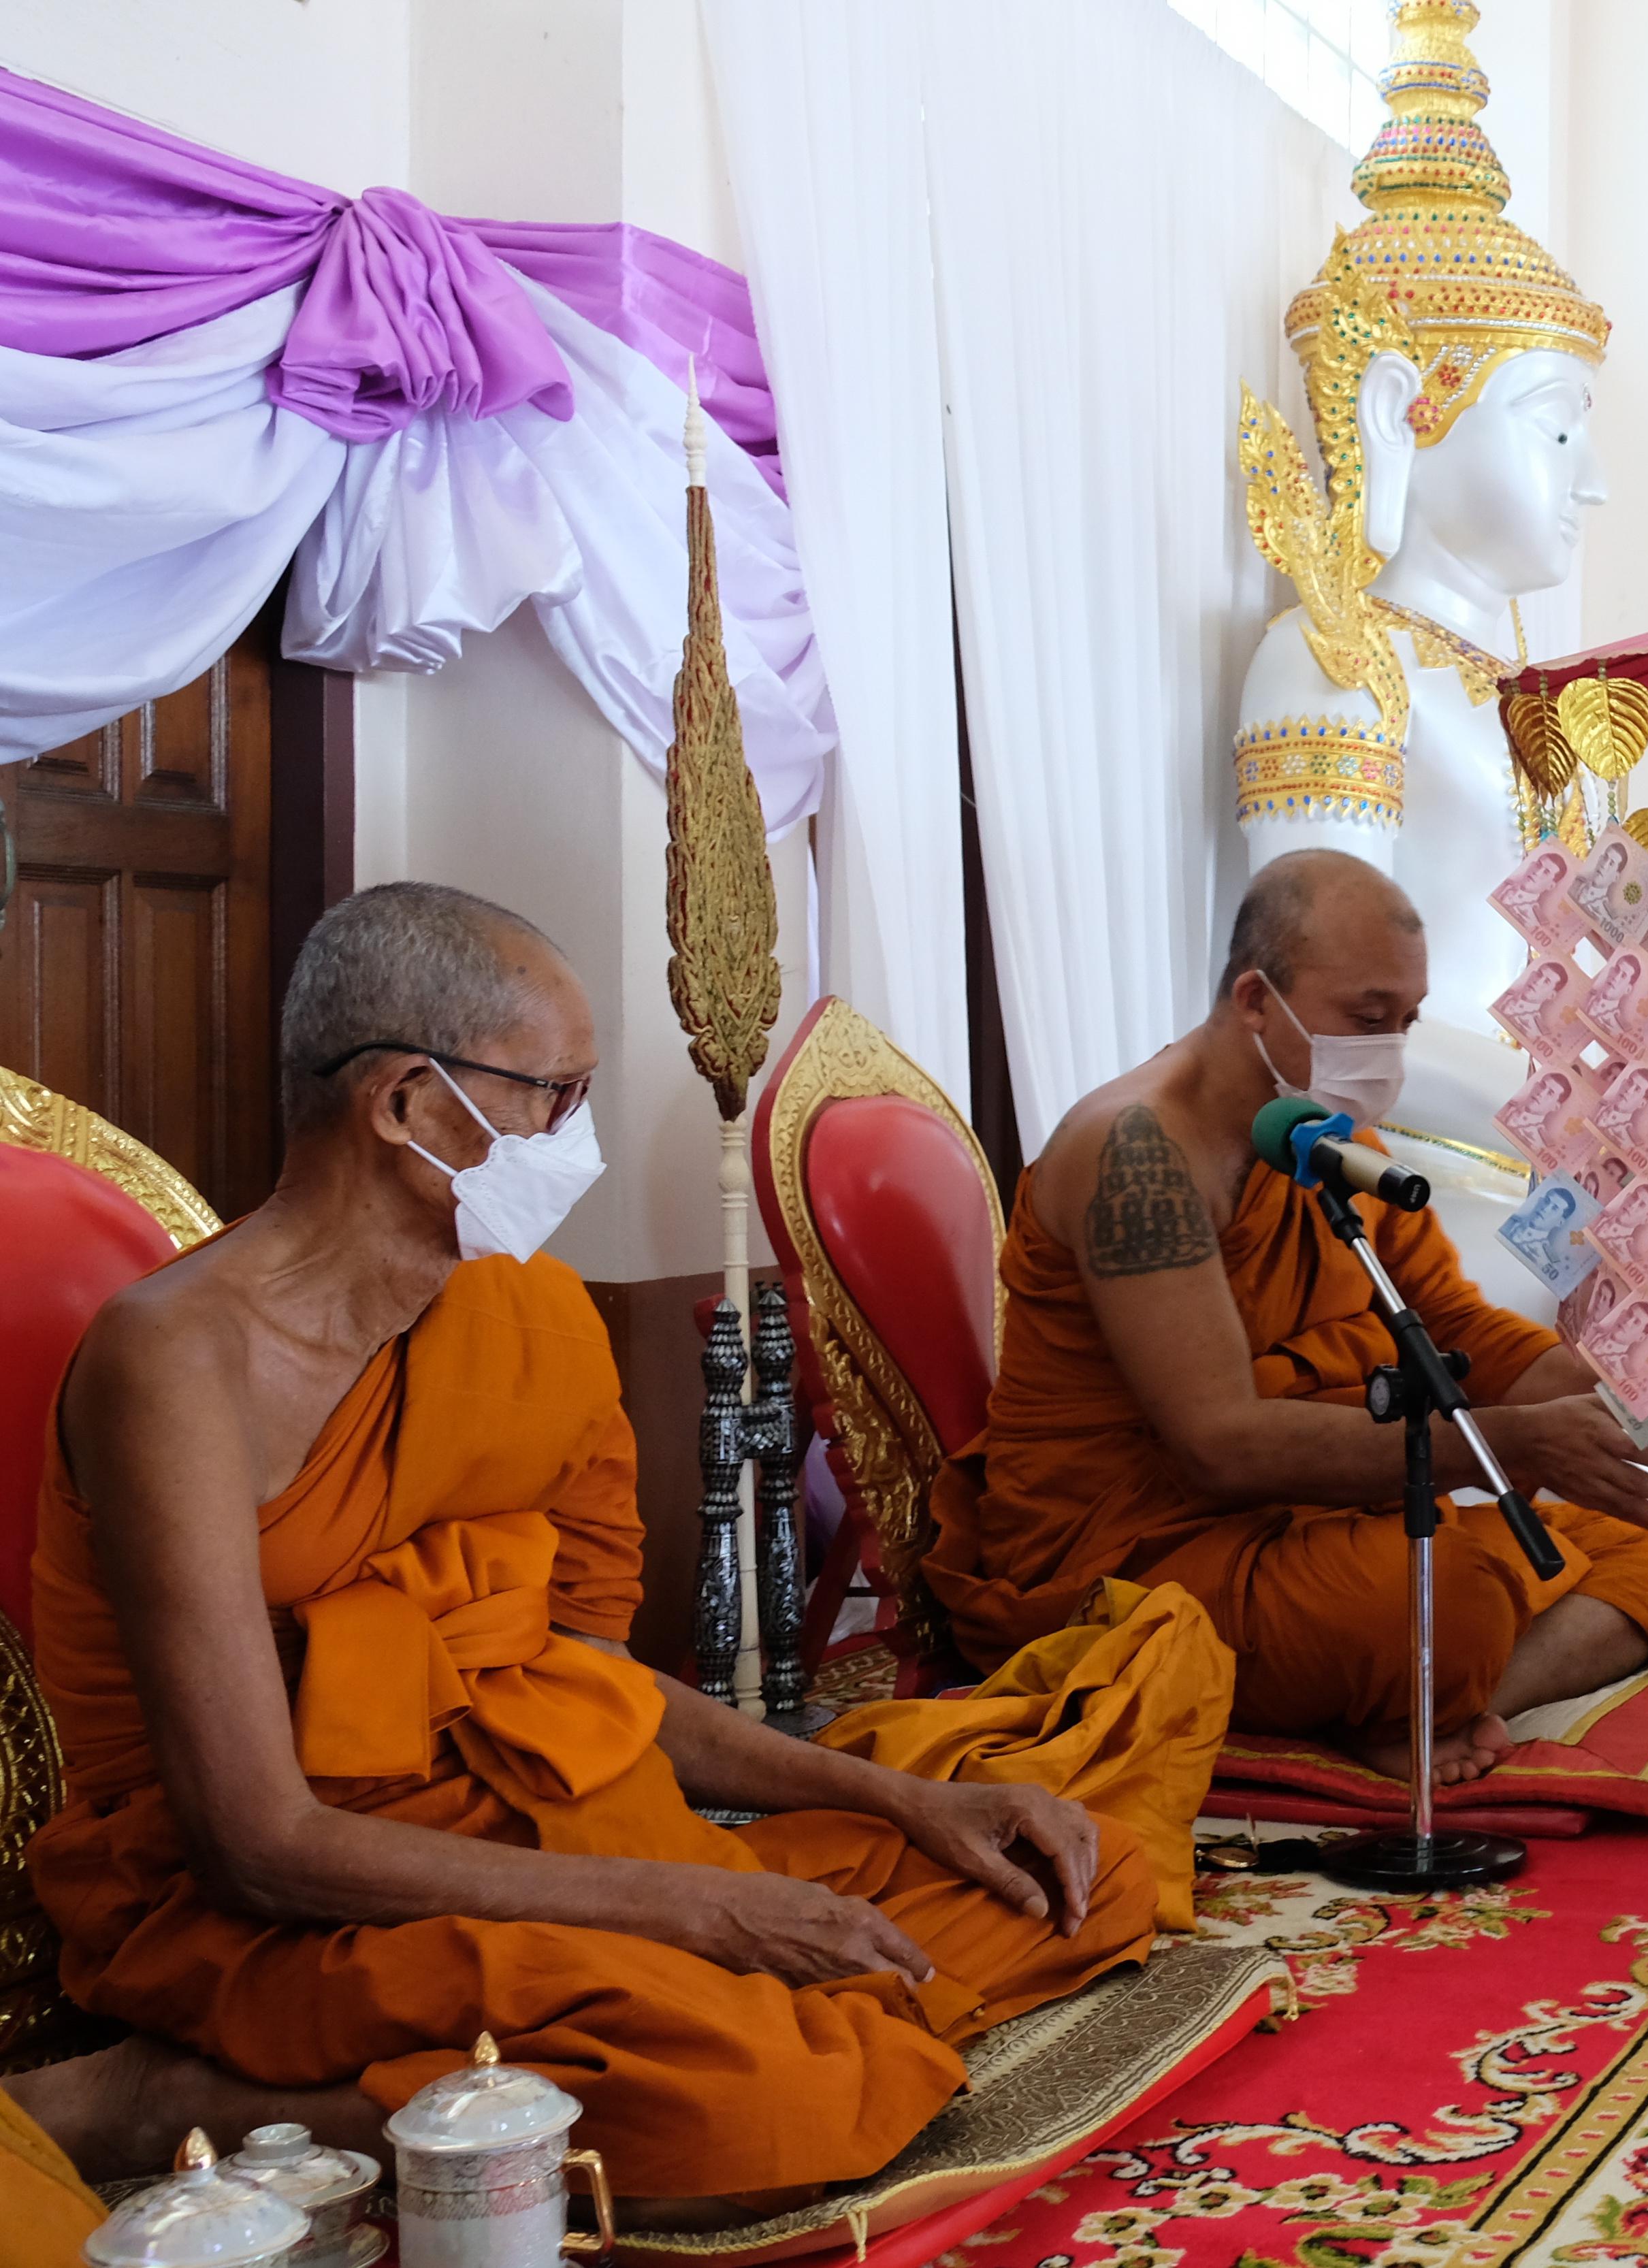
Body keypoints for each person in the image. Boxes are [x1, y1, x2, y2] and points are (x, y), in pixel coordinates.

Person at [19, 884, 1231, 2205]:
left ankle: (615, 2040)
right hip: (297, 1902)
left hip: (557, 1833)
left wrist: (900, 1800)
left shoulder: (529, 1324)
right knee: (768, 2104)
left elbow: (586, 1686)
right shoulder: (179, 1362)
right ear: (409, 1104)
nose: (573, 1137)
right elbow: (258, 1842)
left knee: (1067, 1877)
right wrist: (696, 1908)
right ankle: (181, 2100)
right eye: (555, 1094)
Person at [925, 851, 1648, 1787]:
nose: (1389, 1053)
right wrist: (1512, 1447)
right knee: (1448, 1601)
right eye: (1367, 1020)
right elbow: (1220, 1446)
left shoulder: (1326, 1137)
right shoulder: (1136, 1153)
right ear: (1257, 999)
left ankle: (1443, 1707)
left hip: (1310, 1524)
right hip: (1136, 1555)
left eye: (1405, 1023)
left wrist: (1636, 1378)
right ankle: (1422, 1688)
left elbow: (1456, 1330)